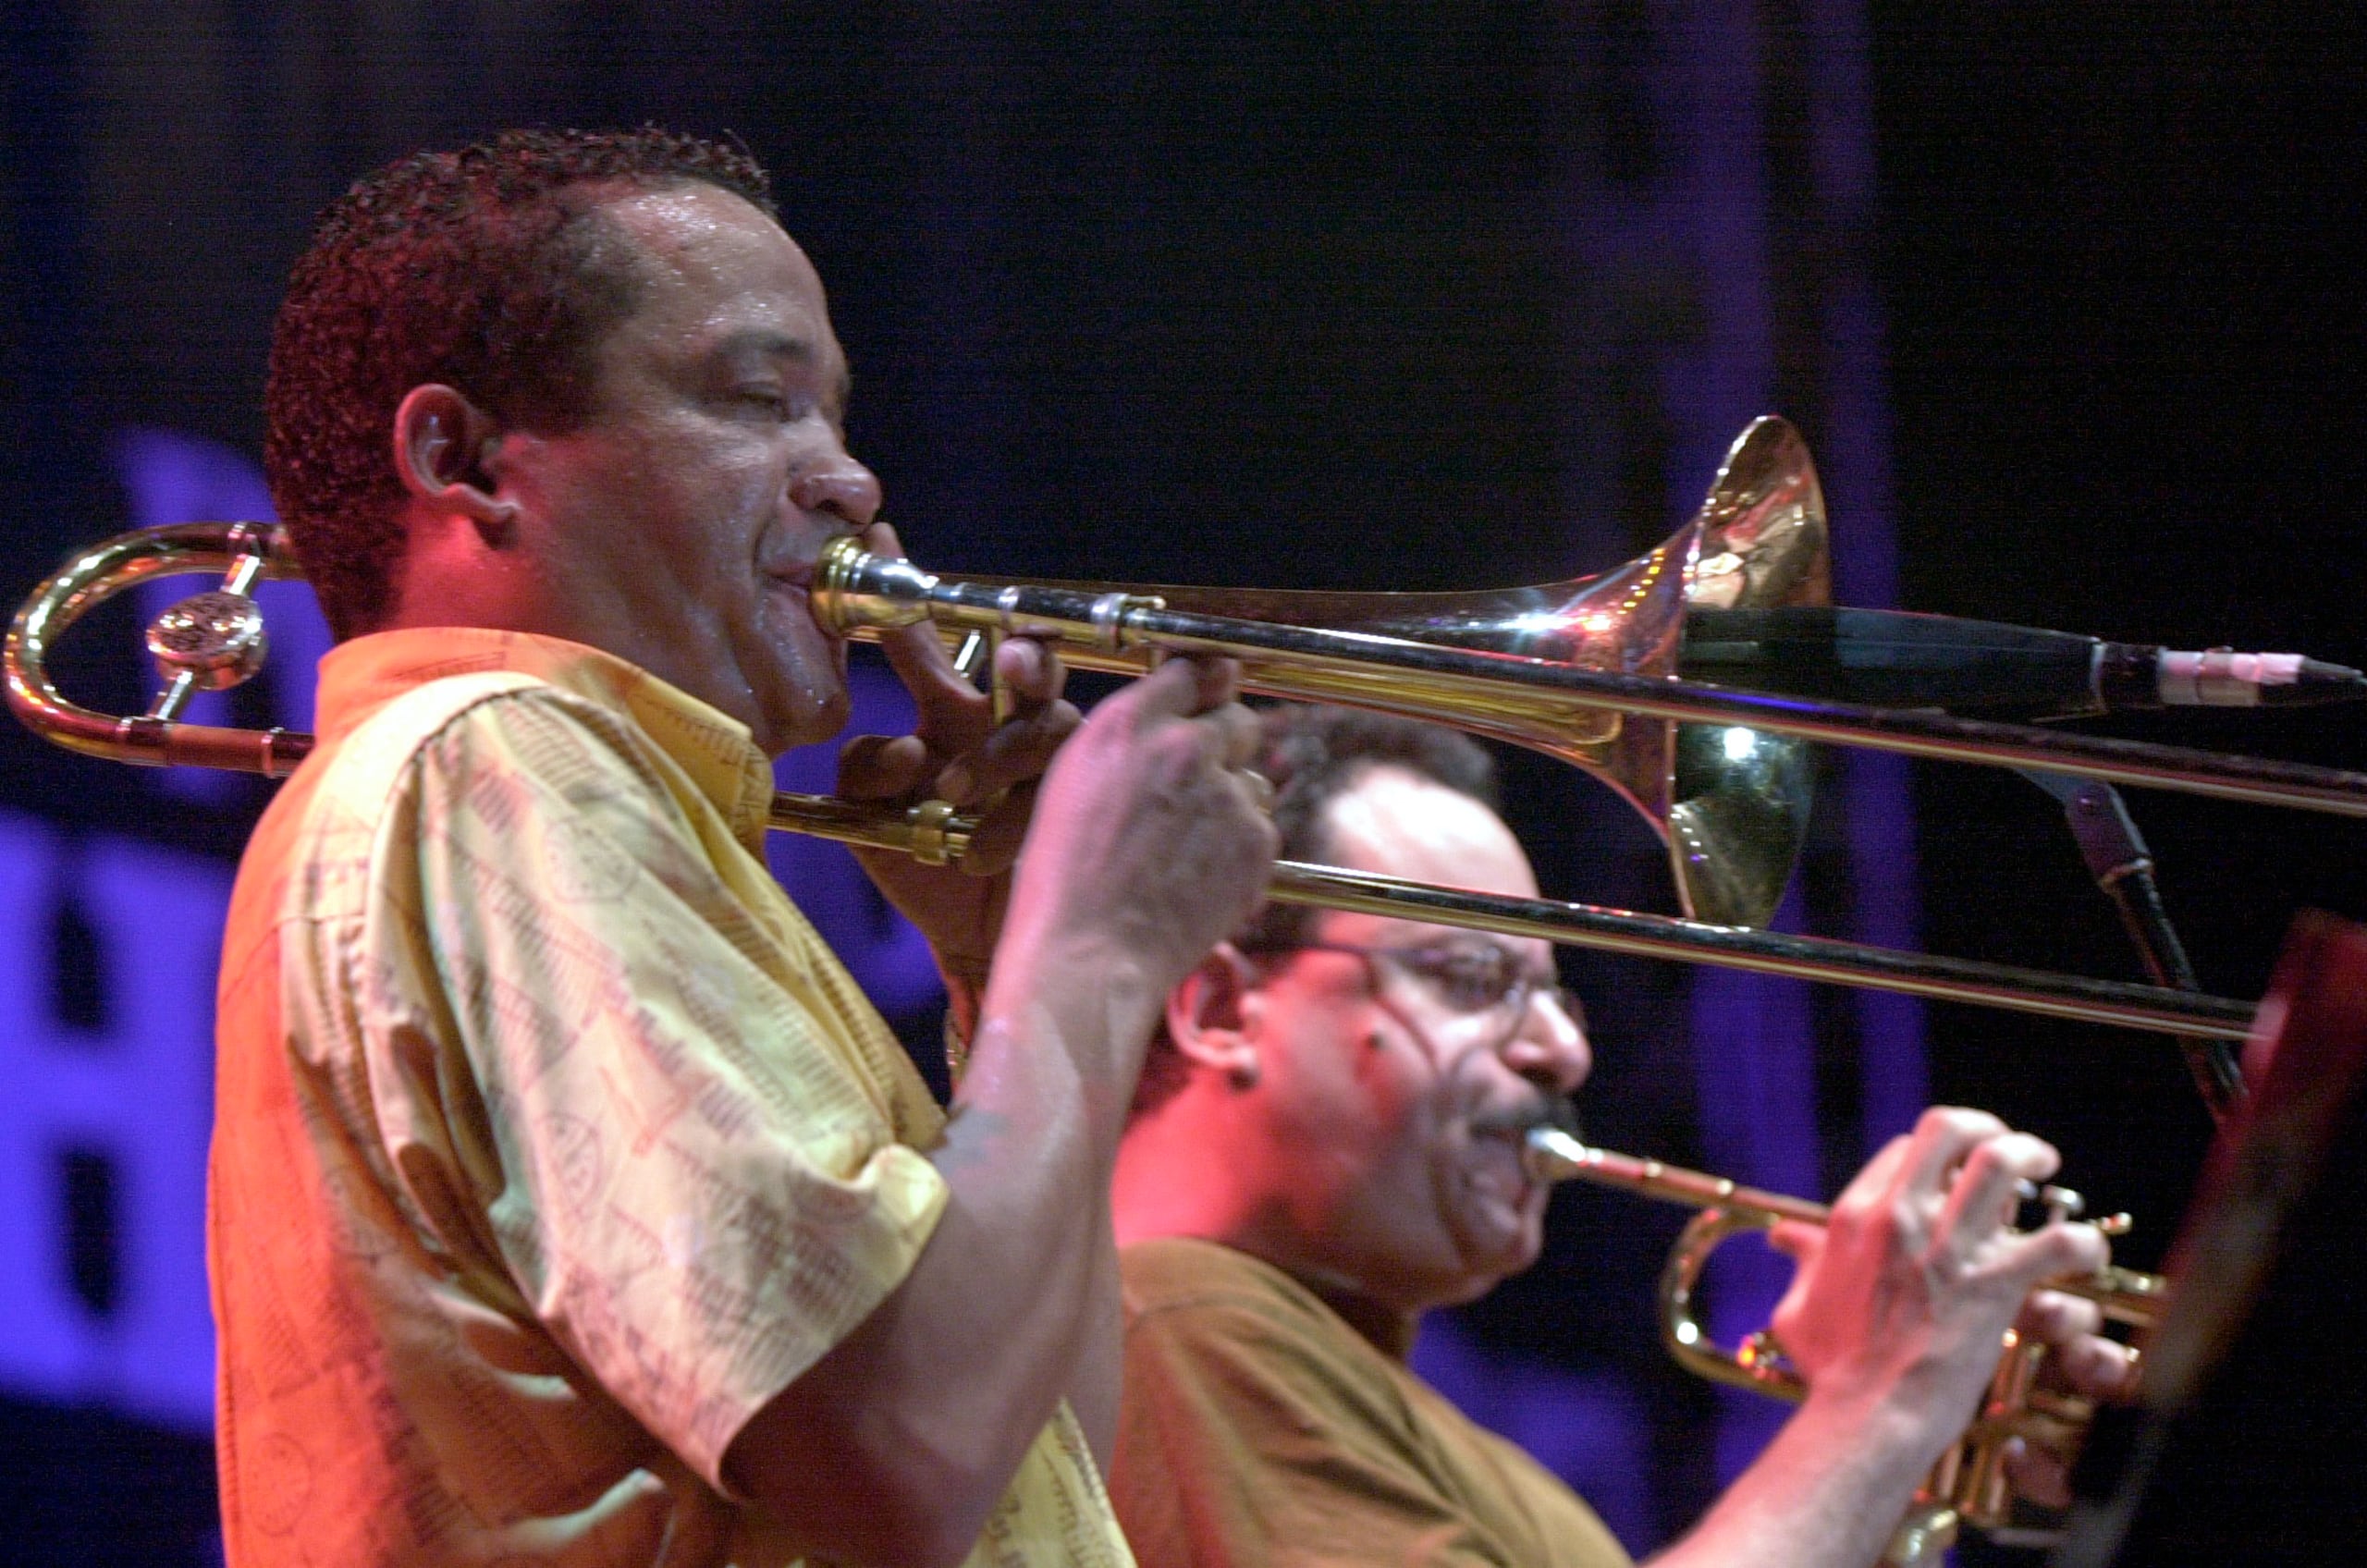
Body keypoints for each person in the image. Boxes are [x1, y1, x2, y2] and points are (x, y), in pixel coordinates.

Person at [213, 128, 1277, 1567]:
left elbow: (1022, 1466)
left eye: (837, 418)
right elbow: (898, 1457)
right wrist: (1087, 955)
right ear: (463, 462)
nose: (847, 481)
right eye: (759, 401)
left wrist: (997, 967)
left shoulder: (586, 802)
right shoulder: (497, 762)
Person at [1108, 704, 2135, 1568]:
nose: (1562, 1051)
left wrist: (1901, 1463)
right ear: (1221, 1008)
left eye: (1560, 997)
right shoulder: (1174, 1316)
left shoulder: (1404, 1417)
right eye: (1473, 980)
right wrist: (1882, 1400)